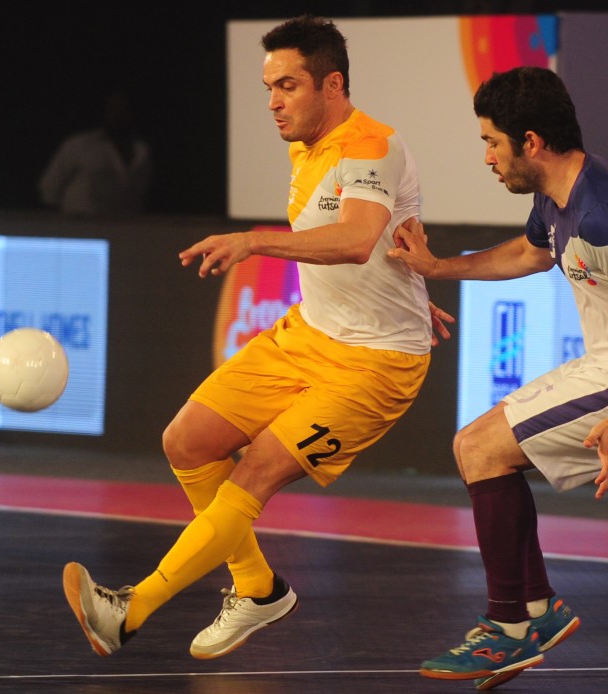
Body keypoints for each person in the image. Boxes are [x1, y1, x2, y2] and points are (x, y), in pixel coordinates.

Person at [62, 15, 452, 660]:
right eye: (268, 85)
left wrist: (251, 240)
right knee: (187, 441)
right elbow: (392, 233)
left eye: (288, 86)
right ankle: (258, 588)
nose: (273, 101)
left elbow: (356, 239)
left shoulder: (373, 144)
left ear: (332, 84)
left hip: (377, 364)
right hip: (308, 336)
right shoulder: (304, 143)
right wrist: (413, 288)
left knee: (259, 469)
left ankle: (130, 610)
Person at [388, 67, 608, 690]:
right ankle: (537, 608)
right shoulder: (557, 195)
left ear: (530, 141)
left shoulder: (605, 216)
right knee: (476, 446)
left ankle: (509, 630)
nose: (487, 157)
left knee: (479, 448)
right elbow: (532, 253)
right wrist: (435, 266)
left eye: (491, 142)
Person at [38, 89, 152, 216]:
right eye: (113, 109)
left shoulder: (142, 151)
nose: (118, 115)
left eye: (125, 109)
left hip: (125, 229)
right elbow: (50, 187)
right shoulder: (79, 145)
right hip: (80, 228)